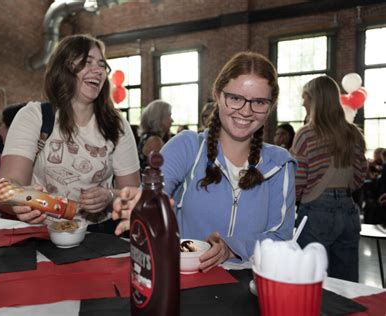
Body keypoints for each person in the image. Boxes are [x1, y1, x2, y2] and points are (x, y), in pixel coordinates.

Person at [113, 52, 296, 271]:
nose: (246, 111)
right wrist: (142, 206)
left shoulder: (280, 164)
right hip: (187, 281)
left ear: (270, 106)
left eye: (259, 102)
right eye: (235, 98)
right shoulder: (187, 146)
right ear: (218, 95)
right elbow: (152, 195)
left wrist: (230, 248)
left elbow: (281, 237)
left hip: (251, 288)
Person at [0, 34, 140, 232]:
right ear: (64, 68)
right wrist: (19, 200)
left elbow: (133, 195)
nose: (98, 70)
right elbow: (4, 189)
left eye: (102, 65)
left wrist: (110, 197)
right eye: (87, 62)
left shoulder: (117, 125)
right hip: (41, 232)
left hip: (99, 235)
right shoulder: (35, 116)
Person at [290, 75, 367, 282]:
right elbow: (360, 176)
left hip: (316, 213)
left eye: (304, 98)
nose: (302, 103)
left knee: (309, 279)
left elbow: (298, 180)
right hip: (348, 211)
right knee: (346, 283)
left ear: (312, 99)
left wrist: (294, 201)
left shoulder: (306, 134)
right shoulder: (353, 133)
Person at [138, 99, 173, 170]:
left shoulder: (149, 137)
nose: (172, 120)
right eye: (169, 116)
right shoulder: (154, 141)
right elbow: (162, 169)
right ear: (159, 118)